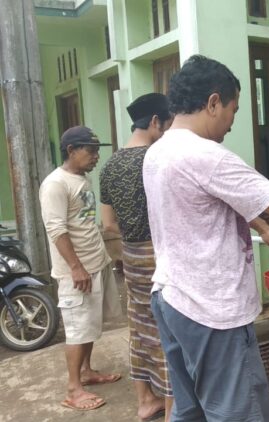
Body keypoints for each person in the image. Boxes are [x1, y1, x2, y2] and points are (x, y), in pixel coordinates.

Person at [143, 54, 269, 421]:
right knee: (237, 411)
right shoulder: (206, 155)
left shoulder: (158, 152)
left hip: (171, 297)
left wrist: (262, 227)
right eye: (233, 110)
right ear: (213, 102)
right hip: (210, 308)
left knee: (190, 408)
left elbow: (206, 204)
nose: (232, 122)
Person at [99, 93, 174, 421]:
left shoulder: (110, 165)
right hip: (160, 254)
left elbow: (108, 224)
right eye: (167, 124)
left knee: (141, 324)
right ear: (155, 121)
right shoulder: (156, 159)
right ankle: (173, 409)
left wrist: (132, 238)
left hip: (131, 255)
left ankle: (145, 400)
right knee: (168, 327)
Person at [39, 126, 122, 411]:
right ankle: (73, 390)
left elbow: (84, 222)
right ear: (71, 150)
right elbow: (56, 229)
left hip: (95, 264)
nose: (96, 156)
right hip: (76, 272)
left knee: (89, 325)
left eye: (98, 150)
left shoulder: (82, 179)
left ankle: (86, 372)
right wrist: (76, 267)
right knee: (77, 329)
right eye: (91, 150)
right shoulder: (55, 184)